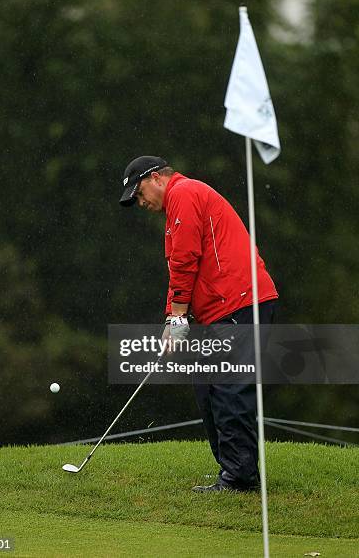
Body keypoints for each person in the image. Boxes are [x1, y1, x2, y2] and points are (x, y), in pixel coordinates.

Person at [119, 155, 278, 492]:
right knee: (207, 387)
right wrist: (171, 318)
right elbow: (181, 267)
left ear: (157, 178)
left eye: (140, 192)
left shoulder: (184, 193)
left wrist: (177, 315)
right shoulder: (177, 205)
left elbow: (185, 258)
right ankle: (235, 470)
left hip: (240, 302)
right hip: (222, 308)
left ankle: (240, 478)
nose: (140, 201)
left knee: (228, 391)